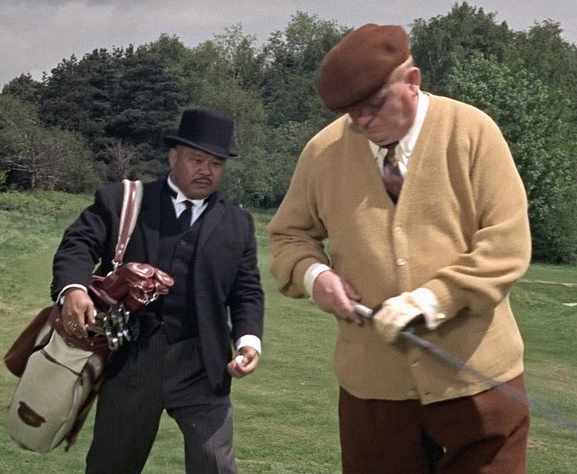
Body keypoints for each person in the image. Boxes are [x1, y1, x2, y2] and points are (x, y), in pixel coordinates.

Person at [267, 24, 532, 473]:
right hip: (373, 391)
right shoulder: (322, 152)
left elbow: (506, 244)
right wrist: (315, 277)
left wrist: (431, 300)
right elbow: (288, 236)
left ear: (412, 81)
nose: (363, 122)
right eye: (352, 113)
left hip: (477, 382)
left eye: (374, 105)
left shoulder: (472, 131)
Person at [51, 109, 265, 473]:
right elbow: (78, 244)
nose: (207, 171)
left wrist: (248, 341)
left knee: (215, 464)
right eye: (197, 160)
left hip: (203, 362)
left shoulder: (238, 224)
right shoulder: (124, 202)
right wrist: (73, 289)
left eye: (216, 163)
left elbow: (246, 291)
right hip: (131, 359)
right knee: (112, 465)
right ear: (173, 157)